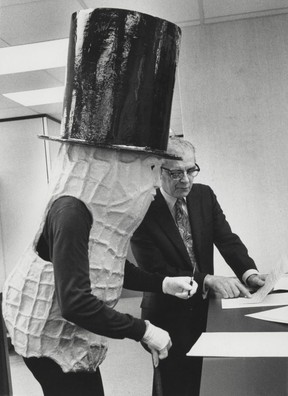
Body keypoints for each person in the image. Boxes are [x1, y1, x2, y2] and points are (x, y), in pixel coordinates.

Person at [2, 8, 192, 396]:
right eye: (148, 165)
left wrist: (162, 283)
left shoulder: (91, 210)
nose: (150, 179)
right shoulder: (71, 210)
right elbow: (74, 302)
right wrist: (143, 329)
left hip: (74, 334)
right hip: (49, 339)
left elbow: (106, 265)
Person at [131, 136, 267, 396]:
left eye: (191, 170)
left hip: (203, 309)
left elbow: (226, 239)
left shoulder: (204, 195)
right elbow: (153, 268)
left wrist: (248, 273)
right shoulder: (142, 207)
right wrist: (207, 279)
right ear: (158, 170)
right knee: (171, 383)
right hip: (165, 312)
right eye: (176, 173)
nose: (186, 180)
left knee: (203, 379)